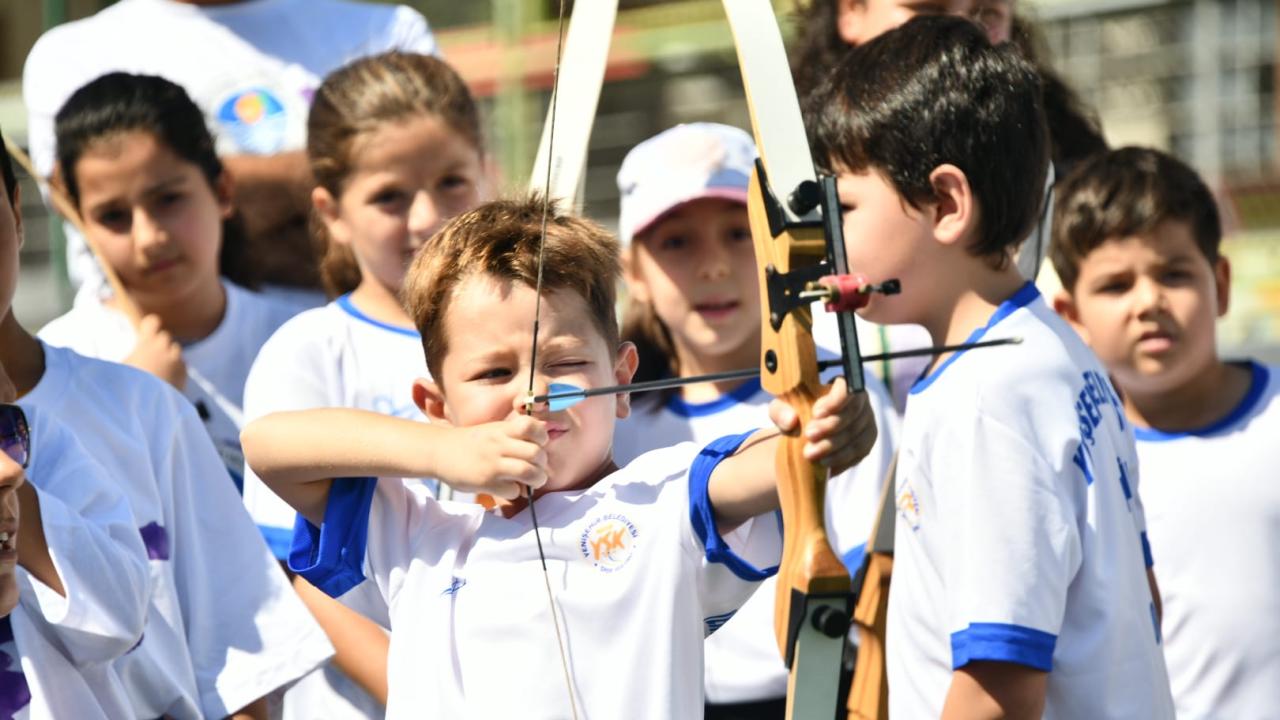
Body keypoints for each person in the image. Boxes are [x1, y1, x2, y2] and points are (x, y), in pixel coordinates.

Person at [242, 195, 880, 717]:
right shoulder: (416, 534)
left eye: (567, 364)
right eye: (493, 373)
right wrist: (444, 453)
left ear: (623, 380)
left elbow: (778, 463)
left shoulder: (662, 499)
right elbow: (267, 445)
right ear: (436, 405)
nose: (534, 396)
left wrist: (823, 430)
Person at [805, 15, 1174, 717]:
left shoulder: (988, 397)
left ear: (946, 203)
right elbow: (1142, 591)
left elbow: (998, 687)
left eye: (843, 205)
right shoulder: (1052, 350)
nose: (826, 236)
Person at [0, 134, 332, 719]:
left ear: (18, 215)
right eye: (113, 214)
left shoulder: (140, 409)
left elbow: (243, 667)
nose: (150, 234)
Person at [611, 122, 899, 718]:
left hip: (816, 694)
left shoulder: (830, 388)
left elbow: (876, 570)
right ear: (632, 270)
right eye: (676, 243)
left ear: (779, 251)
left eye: (740, 234)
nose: (713, 266)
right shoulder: (614, 413)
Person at [240, 50, 486, 719]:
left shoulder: (542, 333)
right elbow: (296, 577)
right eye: (389, 196)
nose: (426, 217)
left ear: (488, 173)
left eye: (453, 182)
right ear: (332, 211)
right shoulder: (308, 352)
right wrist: (424, 693)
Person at [1049, 147, 1280, 719]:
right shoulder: (1074, 466)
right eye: (1116, 286)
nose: (1149, 302)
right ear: (1070, 317)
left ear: (1221, 284)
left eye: (1173, 274)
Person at [23, 0, 439, 304]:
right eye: (170, 196)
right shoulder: (71, 56)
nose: (151, 234)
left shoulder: (389, 32)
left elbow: (431, 217)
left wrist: (215, 238)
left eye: (169, 198)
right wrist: (349, 185)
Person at [38, 73, 299, 491]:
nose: (150, 238)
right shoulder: (55, 361)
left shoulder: (300, 338)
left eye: (168, 200)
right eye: (113, 216)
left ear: (222, 191)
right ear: (81, 225)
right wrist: (124, 411)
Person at [0, 155, 151, 713]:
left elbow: (119, 616)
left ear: (17, 213)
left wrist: (24, 507)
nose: (11, 468)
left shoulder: (46, 437)